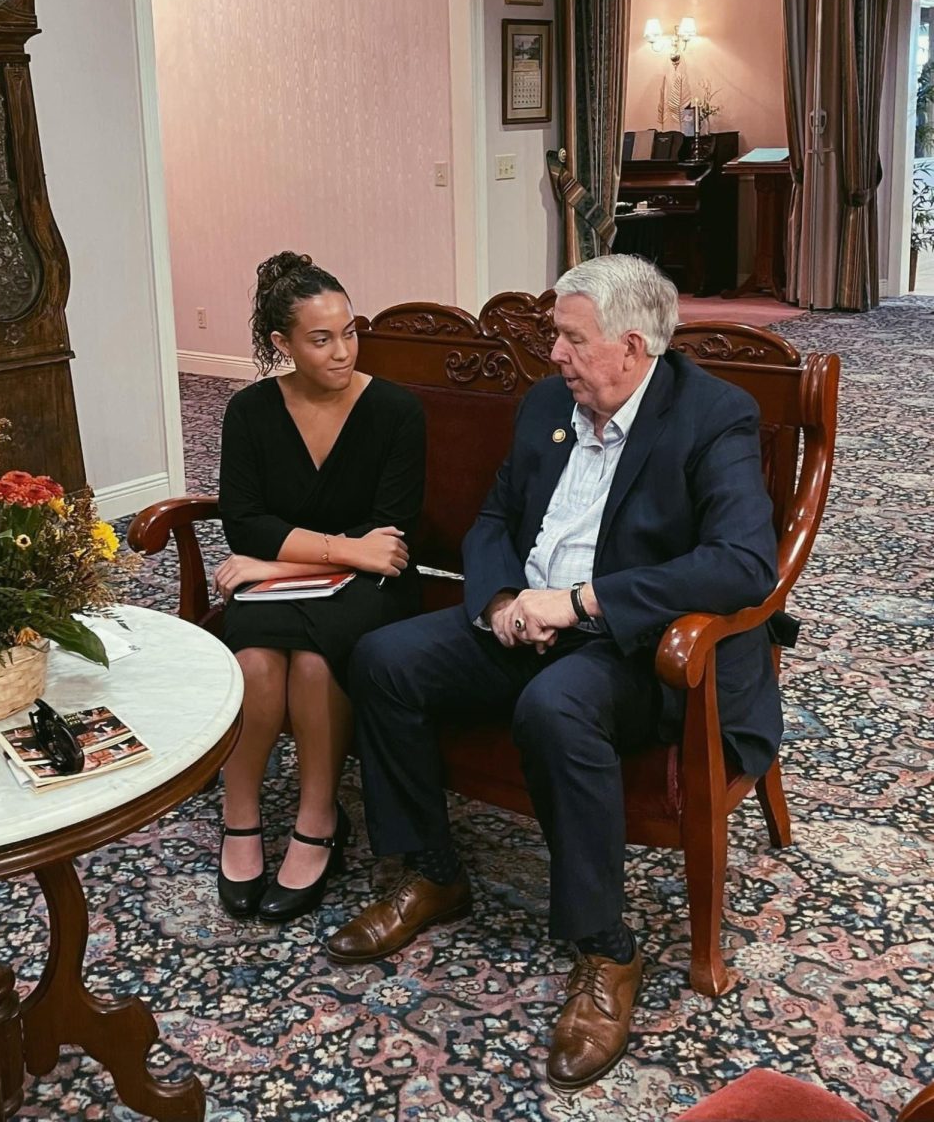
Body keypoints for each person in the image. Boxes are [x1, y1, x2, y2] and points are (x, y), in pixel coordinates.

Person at [326, 254, 781, 1089]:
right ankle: (430, 871)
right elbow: (497, 513)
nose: (554, 356)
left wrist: (580, 603)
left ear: (631, 346)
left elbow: (742, 564)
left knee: (553, 708)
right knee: (383, 661)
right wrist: (500, 597)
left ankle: (605, 950)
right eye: (553, 339)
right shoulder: (550, 404)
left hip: (634, 647)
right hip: (523, 618)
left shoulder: (714, 415)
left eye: (569, 340)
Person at [213, 251, 425, 924]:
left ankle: (316, 817)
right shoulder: (249, 412)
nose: (341, 351)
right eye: (320, 338)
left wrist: (277, 565)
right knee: (252, 658)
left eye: (350, 332)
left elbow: (386, 547)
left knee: (313, 659)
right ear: (281, 344)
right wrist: (332, 553)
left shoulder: (395, 410)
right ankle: (239, 813)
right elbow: (243, 523)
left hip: (372, 589)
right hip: (306, 576)